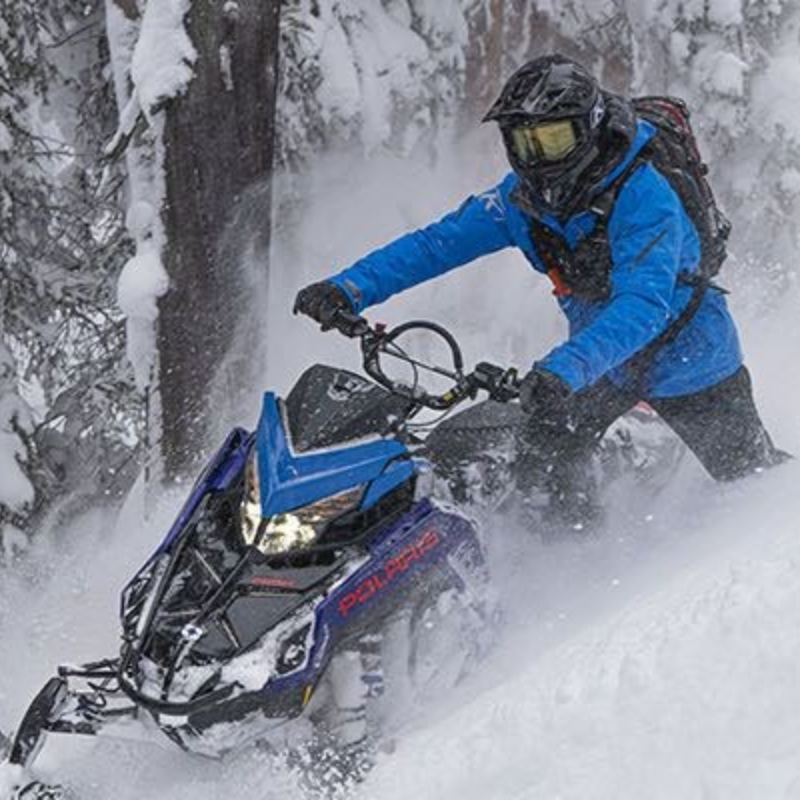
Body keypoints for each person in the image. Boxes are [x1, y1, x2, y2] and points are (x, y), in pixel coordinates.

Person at [293, 53, 786, 530]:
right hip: (599, 366)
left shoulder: (644, 194)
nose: (539, 159)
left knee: (752, 481)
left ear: (589, 129)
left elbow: (644, 305)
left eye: (553, 140)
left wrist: (562, 370)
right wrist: (350, 288)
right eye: (524, 143)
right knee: (542, 465)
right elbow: (436, 245)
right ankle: (575, 563)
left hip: (689, 360)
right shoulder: (519, 202)